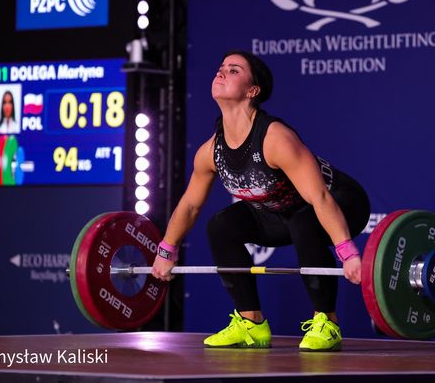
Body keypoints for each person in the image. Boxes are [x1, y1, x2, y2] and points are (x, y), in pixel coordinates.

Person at [152, 50, 370, 351]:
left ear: (252, 91)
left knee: (304, 219)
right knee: (222, 224)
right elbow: (190, 206)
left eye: (234, 70)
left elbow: (318, 196)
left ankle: (327, 322)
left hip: (342, 202)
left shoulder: (274, 139)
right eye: (220, 67)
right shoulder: (210, 152)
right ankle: (251, 323)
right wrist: (167, 249)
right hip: (280, 212)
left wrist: (347, 252)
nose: (222, 72)